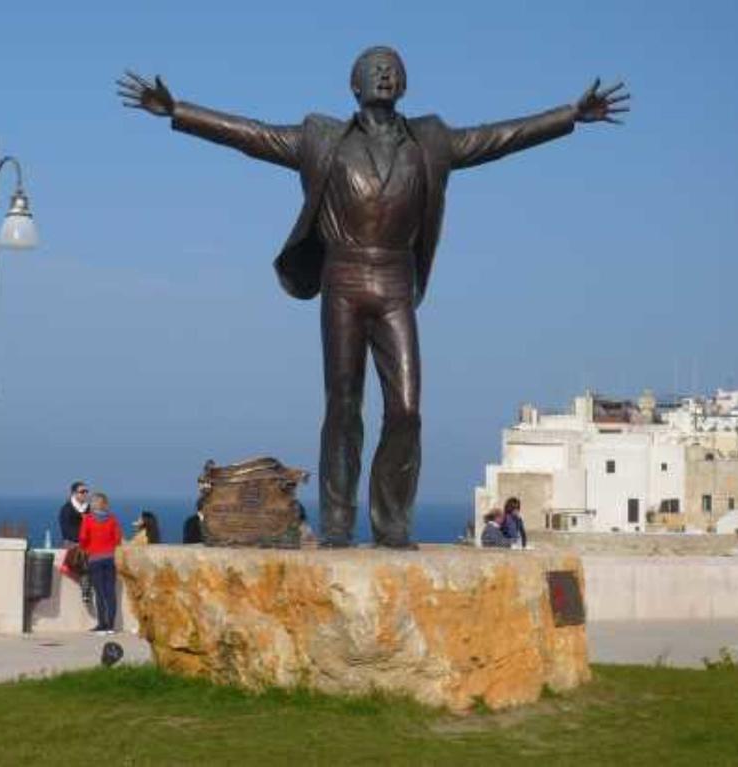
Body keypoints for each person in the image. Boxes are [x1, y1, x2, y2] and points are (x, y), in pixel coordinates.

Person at [118, 48, 628, 550]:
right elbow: (253, 136)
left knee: (406, 409)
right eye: (374, 69)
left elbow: (498, 138)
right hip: (342, 280)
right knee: (343, 405)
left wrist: (570, 117)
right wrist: (180, 111)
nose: (384, 74)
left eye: (393, 69)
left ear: (403, 85)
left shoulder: (429, 142)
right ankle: (338, 521)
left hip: (395, 284)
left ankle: (392, 521)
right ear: (355, 85)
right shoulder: (322, 139)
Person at [78, 492, 123, 633]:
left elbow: (83, 538)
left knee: (99, 592)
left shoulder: (88, 519)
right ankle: (111, 625)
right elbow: (118, 538)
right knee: (110, 592)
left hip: (95, 559)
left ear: (94, 504)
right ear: (105, 504)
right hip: (110, 558)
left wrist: (87, 549)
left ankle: (102, 624)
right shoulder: (113, 519)